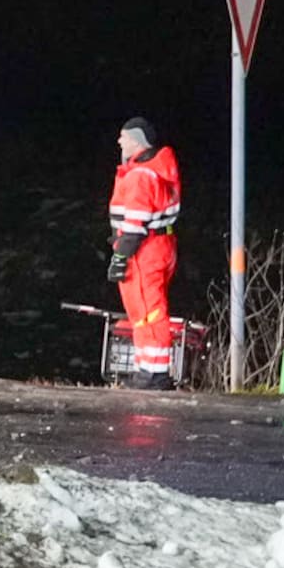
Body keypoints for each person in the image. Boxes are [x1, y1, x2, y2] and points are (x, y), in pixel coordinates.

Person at [108, 116, 181, 390]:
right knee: (148, 310)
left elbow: (135, 223)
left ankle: (153, 374)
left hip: (143, 250)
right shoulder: (157, 169)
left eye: (123, 137)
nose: (119, 142)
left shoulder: (140, 176)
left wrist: (120, 256)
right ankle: (149, 370)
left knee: (147, 311)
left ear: (137, 140)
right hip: (159, 245)